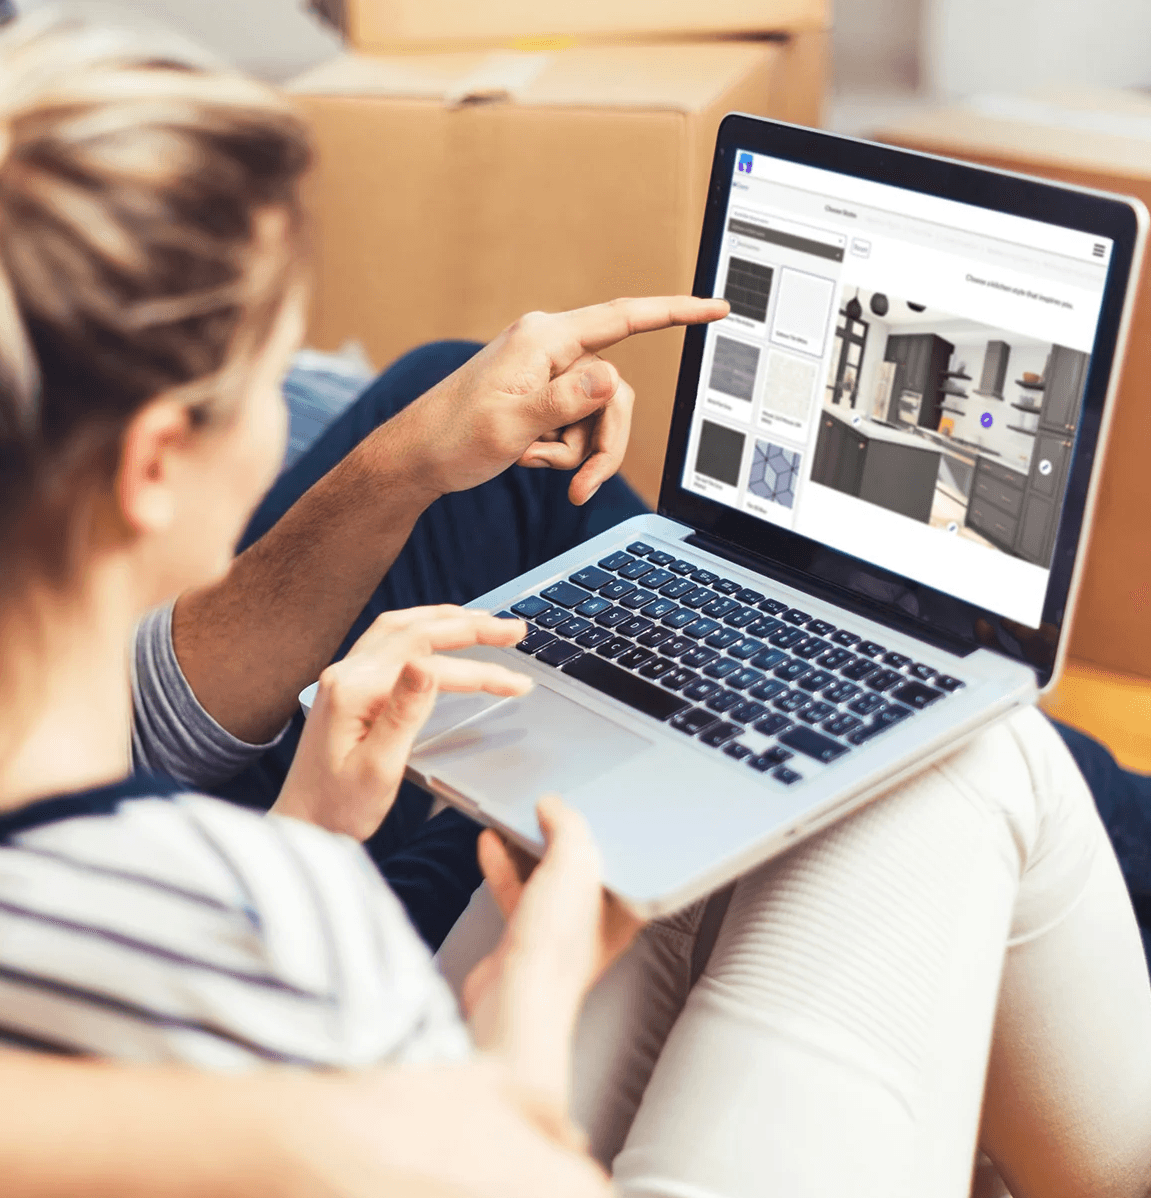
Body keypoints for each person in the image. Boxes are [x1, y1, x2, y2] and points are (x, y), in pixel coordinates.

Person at [2, 12, 1151, 1198]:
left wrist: (310, 819)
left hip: (300, 893)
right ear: (151, 467)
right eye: (266, 379)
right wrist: (532, 994)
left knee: (759, 721)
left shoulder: (192, 894)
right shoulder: (281, 928)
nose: (274, 418)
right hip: (461, 1066)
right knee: (955, 748)